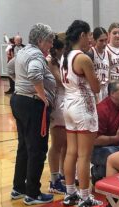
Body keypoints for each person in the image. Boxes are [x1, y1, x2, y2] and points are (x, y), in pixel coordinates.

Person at [10, 23, 56, 205]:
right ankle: (33, 193)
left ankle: (18, 187)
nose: (51, 44)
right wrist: (43, 96)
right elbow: (35, 73)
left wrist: (21, 85)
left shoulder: (22, 52)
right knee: (37, 149)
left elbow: (9, 69)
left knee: (25, 147)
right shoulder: (36, 54)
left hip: (19, 100)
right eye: (49, 40)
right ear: (40, 40)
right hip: (32, 104)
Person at [61, 20, 102, 207]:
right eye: (90, 35)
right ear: (82, 36)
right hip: (82, 105)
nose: (91, 39)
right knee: (85, 156)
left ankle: (70, 193)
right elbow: (95, 87)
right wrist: (98, 80)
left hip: (68, 104)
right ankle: (85, 197)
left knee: (71, 152)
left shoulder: (65, 55)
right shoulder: (83, 58)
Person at [91, 80, 119, 184]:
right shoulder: (101, 110)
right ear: (112, 94)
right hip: (99, 149)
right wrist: (116, 138)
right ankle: (98, 172)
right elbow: (94, 140)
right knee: (113, 155)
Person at [46, 35, 66, 194]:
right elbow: (62, 81)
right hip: (58, 103)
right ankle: (54, 181)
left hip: (66, 102)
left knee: (66, 144)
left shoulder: (62, 60)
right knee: (57, 144)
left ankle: (62, 174)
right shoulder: (50, 61)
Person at [88, 27, 110, 102]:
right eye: (101, 40)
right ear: (94, 40)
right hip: (96, 88)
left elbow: (109, 73)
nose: (104, 43)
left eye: (106, 40)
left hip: (106, 88)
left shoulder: (108, 54)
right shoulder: (91, 52)